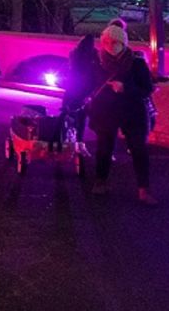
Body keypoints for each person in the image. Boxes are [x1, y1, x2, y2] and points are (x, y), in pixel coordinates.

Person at [67, 19, 158, 205]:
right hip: (105, 113)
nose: (110, 46)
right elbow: (87, 86)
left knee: (139, 150)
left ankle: (143, 189)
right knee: (104, 148)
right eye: (106, 42)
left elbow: (147, 89)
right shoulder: (97, 63)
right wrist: (72, 100)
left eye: (114, 42)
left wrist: (125, 88)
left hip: (132, 113)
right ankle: (101, 181)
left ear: (123, 43)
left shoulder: (137, 64)